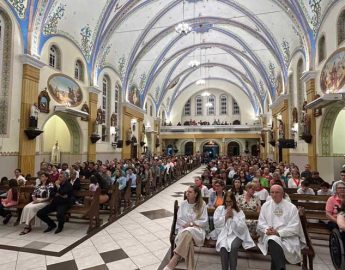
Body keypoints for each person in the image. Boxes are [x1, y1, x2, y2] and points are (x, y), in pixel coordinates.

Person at [257, 184, 306, 270]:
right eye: (272, 192)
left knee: (273, 241)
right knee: (272, 239)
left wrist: (278, 232)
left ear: (283, 193)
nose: (274, 195)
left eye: (277, 192)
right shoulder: (265, 206)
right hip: (270, 234)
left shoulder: (291, 207)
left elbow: (294, 227)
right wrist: (266, 230)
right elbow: (261, 222)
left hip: (288, 237)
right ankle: (281, 267)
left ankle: (280, 267)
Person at [164, 186, 208, 270]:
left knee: (188, 231)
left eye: (190, 192)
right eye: (187, 191)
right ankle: (190, 268)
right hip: (184, 229)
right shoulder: (183, 204)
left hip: (197, 230)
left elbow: (204, 221)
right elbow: (179, 219)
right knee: (189, 242)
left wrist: (192, 224)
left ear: (195, 194)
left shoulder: (202, 204)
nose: (187, 193)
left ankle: (174, 259)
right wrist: (186, 225)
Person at [210, 191, 255, 270]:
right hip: (224, 233)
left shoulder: (239, 211)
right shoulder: (220, 209)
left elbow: (242, 228)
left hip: (237, 234)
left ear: (233, 201)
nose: (228, 204)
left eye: (230, 201)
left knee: (233, 247)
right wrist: (226, 217)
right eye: (226, 201)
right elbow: (216, 224)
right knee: (223, 247)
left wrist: (233, 217)